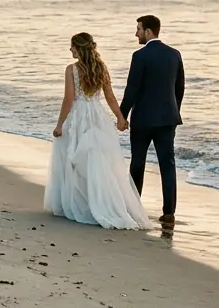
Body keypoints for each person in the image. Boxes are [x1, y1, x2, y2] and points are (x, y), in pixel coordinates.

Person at [45, 33, 151, 230]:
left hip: (78, 116)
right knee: (98, 160)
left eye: (72, 47)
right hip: (97, 115)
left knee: (75, 159)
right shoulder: (101, 68)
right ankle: (100, 200)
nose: (70, 50)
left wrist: (60, 124)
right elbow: (110, 97)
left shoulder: (71, 70)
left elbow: (68, 99)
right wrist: (120, 117)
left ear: (79, 48)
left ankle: (81, 203)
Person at [119, 15, 186, 223]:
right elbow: (179, 88)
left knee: (137, 163)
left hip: (143, 120)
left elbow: (132, 89)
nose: (136, 33)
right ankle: (169, 213)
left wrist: (122, 116)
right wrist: (173, 111)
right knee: (168, 165)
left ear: (149, 31)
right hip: (168, 119)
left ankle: (134, 207)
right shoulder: (174, 54)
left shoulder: (139, 56)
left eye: (138, 29)